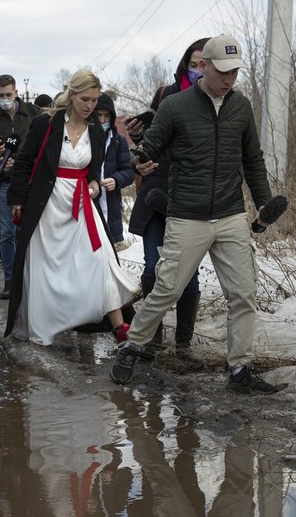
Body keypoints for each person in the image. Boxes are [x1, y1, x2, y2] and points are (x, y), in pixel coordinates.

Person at [109, 35, 281, 394]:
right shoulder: (176, 106)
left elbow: (253, 160)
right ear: (203, 67)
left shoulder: (242, 107)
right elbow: (149, 147)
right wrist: (141, 160)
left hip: (231, 214)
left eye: (235, 72)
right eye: (222, 71)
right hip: (187, 215)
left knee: (243, 293)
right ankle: (133, 345)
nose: (229, 79)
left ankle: (240, 370)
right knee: (167, 288)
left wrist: (263, 203)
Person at [4, 69, 138, 346]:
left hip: (81, 204)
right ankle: (42, 331)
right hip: (48, 203)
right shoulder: (46, 124)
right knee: (46, 266)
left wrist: (94, 185)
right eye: (85, 99)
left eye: (95, 100)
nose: (90, 106)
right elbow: (25, 161)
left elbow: (93, 170)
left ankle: (119, 328)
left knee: (100, 260)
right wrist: (17, 199)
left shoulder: (96, 132)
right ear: (72, 95)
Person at [126, 37, 209, 360]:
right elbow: (149, 142)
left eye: (205, 64)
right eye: (194, 63)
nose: (199, 69)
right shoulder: (166, 96)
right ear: (185, 63)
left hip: (190, 199)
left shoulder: (217, 102)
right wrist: (137, 140)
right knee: (151, 270)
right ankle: (154, 342)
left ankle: (183, 347)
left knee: (188, 275)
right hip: (156, 192)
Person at [0, 74, 42, 299]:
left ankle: (32, 277)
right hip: (5, 183)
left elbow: (45, 143)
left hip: (32, 182)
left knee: (32, 230)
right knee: (7, 232)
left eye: (8, 94)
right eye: (0, 95)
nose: (5, 99)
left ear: (16, 93)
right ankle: (10, 279)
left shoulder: (33, 113)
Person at [93, 92, 133, 245]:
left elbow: (128, 172)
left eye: (107, 116)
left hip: (110, 204)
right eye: (98, 116)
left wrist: (116, 180)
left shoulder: (118, 141)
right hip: (89, 203)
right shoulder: (84, 138)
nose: (102, 120)